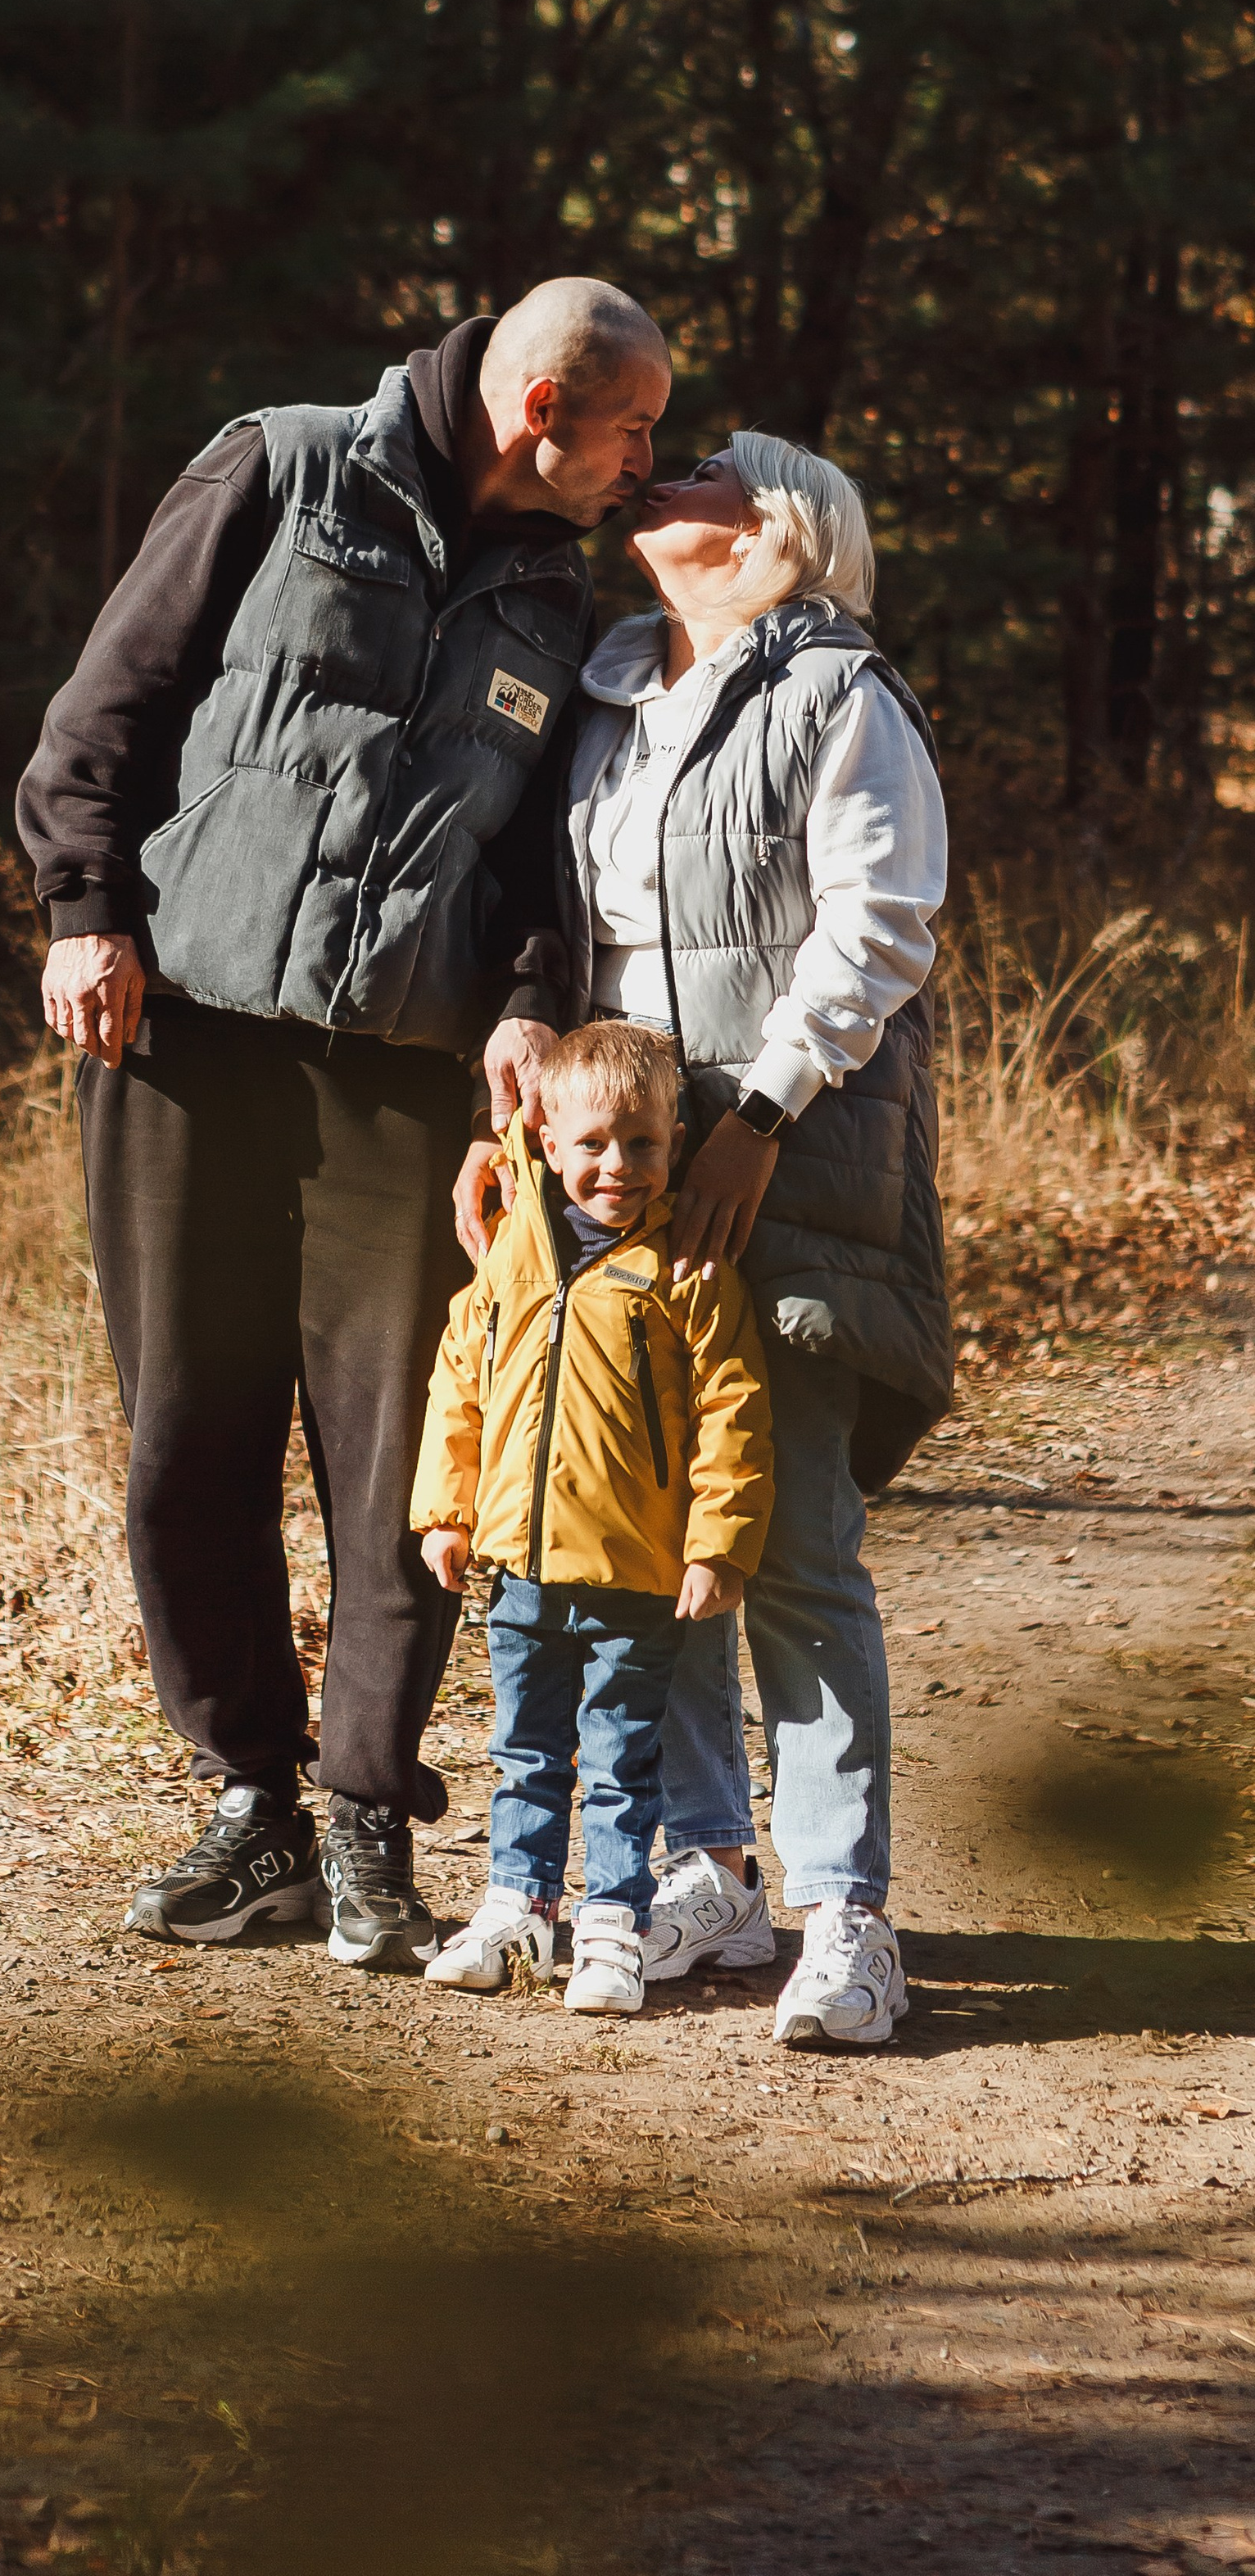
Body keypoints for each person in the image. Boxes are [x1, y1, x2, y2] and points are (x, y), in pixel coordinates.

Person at [16, 283, 671, 1968]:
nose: (646, 464)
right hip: (186, 1036)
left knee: (399, 1460)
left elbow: (540, 850)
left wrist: (528, 997)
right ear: (540, 407)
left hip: (407, 1078)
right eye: (633, 428)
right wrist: (84, 908)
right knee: (189, 1435)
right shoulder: (280, 469)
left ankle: (369, 1812)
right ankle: (255, 1808)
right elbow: (108, 703)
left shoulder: (554, 592)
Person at [455, 430, 949, 2049]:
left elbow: (878, 928)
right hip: (626, 1178)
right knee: (641, 1537)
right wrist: (527, 1125)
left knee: (789, 1543)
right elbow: (574, 944)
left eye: (715, 470)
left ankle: (846, 1913)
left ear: (782, 532)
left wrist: (762, 1116)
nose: (672, 473)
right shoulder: (608, 692)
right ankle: (712, 1871)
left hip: (785, 1157)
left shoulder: (840, 694)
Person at [414, 1021, 772, 2014]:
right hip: (519, 1568)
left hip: (636, 1572)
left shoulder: (689, 1270)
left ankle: (612, 1924)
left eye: (643, 1143)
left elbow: (733, 1413)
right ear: (547, 1141)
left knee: (621, 1760)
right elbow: (459, 1382)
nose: (618, 1166)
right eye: (592, 1144)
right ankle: (518, 1907)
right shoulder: (513, 1253)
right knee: (524, 1751)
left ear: (677, 1143)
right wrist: (445, 1511)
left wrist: (717, 1546)